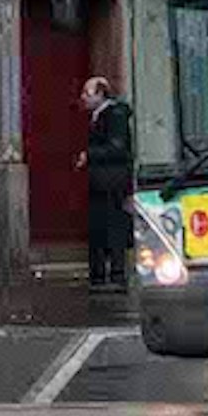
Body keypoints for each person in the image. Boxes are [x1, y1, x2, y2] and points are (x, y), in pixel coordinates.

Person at [82, 76, 136, 294]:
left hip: (112, 183)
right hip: (102, 181)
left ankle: (116, 273)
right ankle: (99, 273)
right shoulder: (99, 116)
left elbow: (118, 149)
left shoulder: (114, 116)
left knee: (113, 227)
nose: (83, 97)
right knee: (99, 227)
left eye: (87, 93)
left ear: (100, 94)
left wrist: (90, 155)